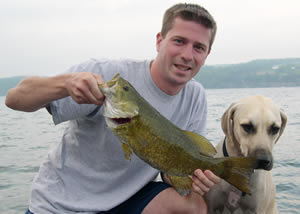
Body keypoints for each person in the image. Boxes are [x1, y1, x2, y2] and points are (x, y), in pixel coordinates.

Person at [6, 3, 220, 214]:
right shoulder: (108, 76)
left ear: (207, 54)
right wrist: (65, 85)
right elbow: (14, 99)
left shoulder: (195, 96)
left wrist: (193, 177)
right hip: (62, 204)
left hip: (129, 198)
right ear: (159, 41)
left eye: (198, 47)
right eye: (179, 41)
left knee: (194, 205)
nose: (187, 55)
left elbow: (168, 170)